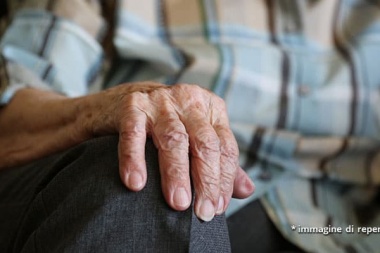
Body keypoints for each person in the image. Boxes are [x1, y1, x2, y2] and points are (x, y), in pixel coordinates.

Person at [0, 0, 379, 252]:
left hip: (349, 230)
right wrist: (110, 108)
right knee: (154, 161)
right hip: (167, 211)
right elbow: (14, 111)